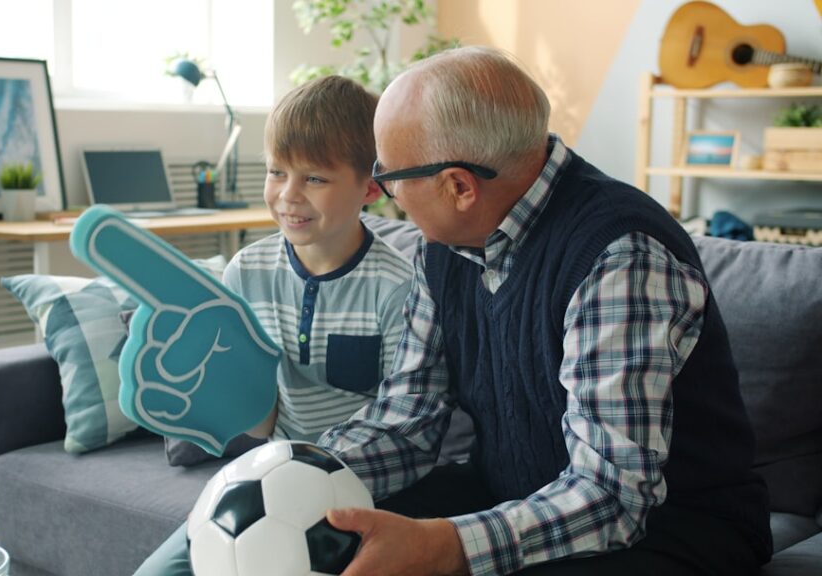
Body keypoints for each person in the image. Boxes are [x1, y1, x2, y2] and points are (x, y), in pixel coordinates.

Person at [317, 46, 773, 575]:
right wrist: (292, 476)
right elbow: (407, 418)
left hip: (672, 525)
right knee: (333, 534)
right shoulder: (441, 245)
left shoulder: (619, 255)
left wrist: (443, 547)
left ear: (459, 185)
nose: (384, 194)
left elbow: (610, 496)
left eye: (389, 175)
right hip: (516, 494)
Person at [133, 74, 414, 575]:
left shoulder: (396, 288)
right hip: (269, 476)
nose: (288, 194)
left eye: (315, 178)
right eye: (276, 172)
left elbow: (402, 422)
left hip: (363, 487)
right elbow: (259, 417)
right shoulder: (246, 270)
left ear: (371, 186)